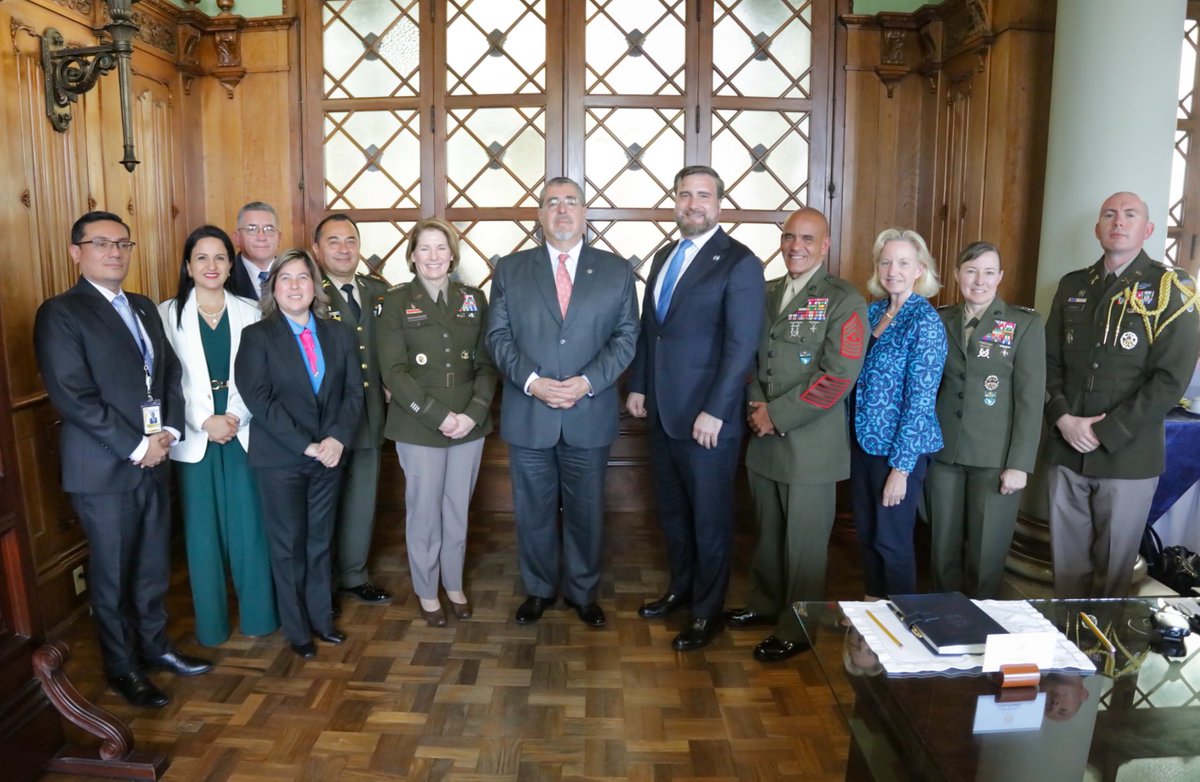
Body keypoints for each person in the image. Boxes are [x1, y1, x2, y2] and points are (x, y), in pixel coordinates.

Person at [34, 211, 212, 708]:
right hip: (105, 468)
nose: (114, 252)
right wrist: (138, 446)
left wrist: (170, 433)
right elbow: (74, 396)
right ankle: (122, 668)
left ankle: (155, 649)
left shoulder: (142, 307)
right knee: (112, 575)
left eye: (122, 243)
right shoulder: (61, 312)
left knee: (153, 566)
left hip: (156, 459)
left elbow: (169, 374)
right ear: (77, 252)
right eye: (100, 243)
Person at [486, 177, 639, 628]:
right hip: (529, 411)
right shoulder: (511, 270)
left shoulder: (615, 271)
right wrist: (533, 381)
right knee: (532, 510)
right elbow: (497, 337)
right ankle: (537, 590)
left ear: (585, 213)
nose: (562, 210)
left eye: (571, 202)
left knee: (586, 510)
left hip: (588, 412)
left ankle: (583, 591)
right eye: (552, 203)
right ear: (540, 215)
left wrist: (587, 382)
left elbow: (627, 337)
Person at [627, 165, 765, 651]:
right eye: (684, 195)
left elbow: (741, 345)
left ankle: (708, 613)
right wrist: (640, 385)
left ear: (719, 204)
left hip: (708, 420)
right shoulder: (665, 254)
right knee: (674, 514)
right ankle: (680, 591)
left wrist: (717, 410)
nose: (692, 204)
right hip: (663, 413)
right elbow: (652, 329)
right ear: (675, 201)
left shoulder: (739, 262)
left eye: (703, 195)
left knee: (709, 520)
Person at [725, 207, 868, 662]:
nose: (796, 247)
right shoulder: (766, 293)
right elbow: (746, 352)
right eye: (789, 237)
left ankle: (798, 627)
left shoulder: (845, 299)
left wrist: (777, 415)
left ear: (824, 246)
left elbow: (838, 376)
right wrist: (756, 405)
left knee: (803, 545)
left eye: (807, 239)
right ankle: (765, 604)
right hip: (763, 437)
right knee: (768, 533)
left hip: (809, 446)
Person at [1044, 191, 1200, 598]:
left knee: (1114, 576)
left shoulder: (1171, 288)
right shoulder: (1073, 285)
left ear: (1147, 229)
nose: (1118, 221)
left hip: (1126, 454)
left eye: (1130, 215)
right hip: (1066, 447)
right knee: (1067, 571)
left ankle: (1106, 657)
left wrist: (1106, 431)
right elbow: (1047, 362)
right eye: (1109, 214)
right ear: (1098, 229)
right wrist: (1062, 417)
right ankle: (1069, 652)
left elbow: (1170, 379)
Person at [235, 249, 363, 659]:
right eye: (285, 278)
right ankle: (297, 630)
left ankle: (322, 620)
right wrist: (305, 444)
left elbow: (352, 393)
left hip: (329, 456)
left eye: (302, 278)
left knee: (321, 541)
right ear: (273, 287)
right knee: (288, 545)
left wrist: (337, 439)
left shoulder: (338, 333)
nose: (294, 286)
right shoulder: (257, 336)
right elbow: (259, 399)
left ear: (315, 286)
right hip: (281, 460)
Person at [159, 226, 278, 646]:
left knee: (250, 529)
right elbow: (164, 383)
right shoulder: (165, 315)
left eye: (221, 258)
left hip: (243, 435)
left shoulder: (253, 310)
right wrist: (204, 420)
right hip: (194, 441)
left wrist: (234, 417)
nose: (212, 266)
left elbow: (262, 377)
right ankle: (211, 625)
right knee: (202, 535)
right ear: (188, 266)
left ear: (231, 266)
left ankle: (259, 618)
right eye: (202, 258)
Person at [378, 218, 497, 626]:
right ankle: (427, 591)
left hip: (468, 424)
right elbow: (393, 373)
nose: (433, 256)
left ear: (452, 254)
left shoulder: (473, 298)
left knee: (456, 511)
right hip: (419, 425)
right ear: (411, 256)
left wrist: (473, 414)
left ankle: (454, 584)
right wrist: (438, 416)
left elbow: (485, 364)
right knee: (424, 512)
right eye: (424, 248)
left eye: (441, 248)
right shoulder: (394, 302)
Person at [925, 241, 1045, 598]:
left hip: (995, 460)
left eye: (989, 272)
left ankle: (979, 634)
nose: (980, 281)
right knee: (941, 550)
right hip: (944, 454)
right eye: (971, 271)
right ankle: (942, 624)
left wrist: (1019, 464)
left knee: (986, 555)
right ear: (957, 275)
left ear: (1000, 277)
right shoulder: (940, 319)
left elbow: (1030, 399)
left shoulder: (1023, 324)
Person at [850, 228, 946, 599]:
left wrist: (901, 469)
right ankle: (874, 616)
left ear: (919, 269)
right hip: (864, 444)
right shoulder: (872, 311)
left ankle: (903, 628)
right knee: (869, 536)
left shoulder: (925, 321)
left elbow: (920, 401)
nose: (893, 270)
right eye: (886, 261)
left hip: (900, 452)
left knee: (892, 543)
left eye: (903, 262)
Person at [312, 214, 392, 605]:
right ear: (317, 249)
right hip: (326, 419)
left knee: (362, 500)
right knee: (325, 503)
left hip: (372, 413)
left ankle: (354, 574)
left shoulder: (379, 291)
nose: (344, 249)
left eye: (350, 241)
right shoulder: (307, 291)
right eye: (333, 241)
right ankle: (322, 582)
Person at [229, 201, 280, 300]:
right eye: (252, 229)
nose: (261, 237)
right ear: (237, 238)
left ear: (279, 237)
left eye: (269, 229)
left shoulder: (294, 272)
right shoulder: (225, 276)